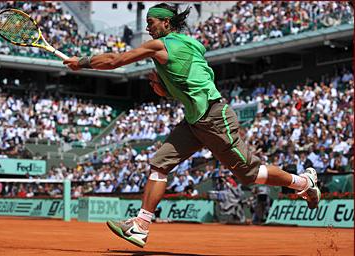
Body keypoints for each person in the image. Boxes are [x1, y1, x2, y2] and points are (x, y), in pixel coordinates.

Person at [63, 3, 320, 248]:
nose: (149, 28)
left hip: (214, 116)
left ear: (166, 22)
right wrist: (160, 87)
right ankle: (141, 225)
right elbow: (179, 88)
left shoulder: (160, 45)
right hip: (194, 121)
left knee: (248, 173)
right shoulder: (189, 46)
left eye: (151, 22)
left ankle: (303, 182)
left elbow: (115, 60)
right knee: (159, 163)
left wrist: (82, 63)